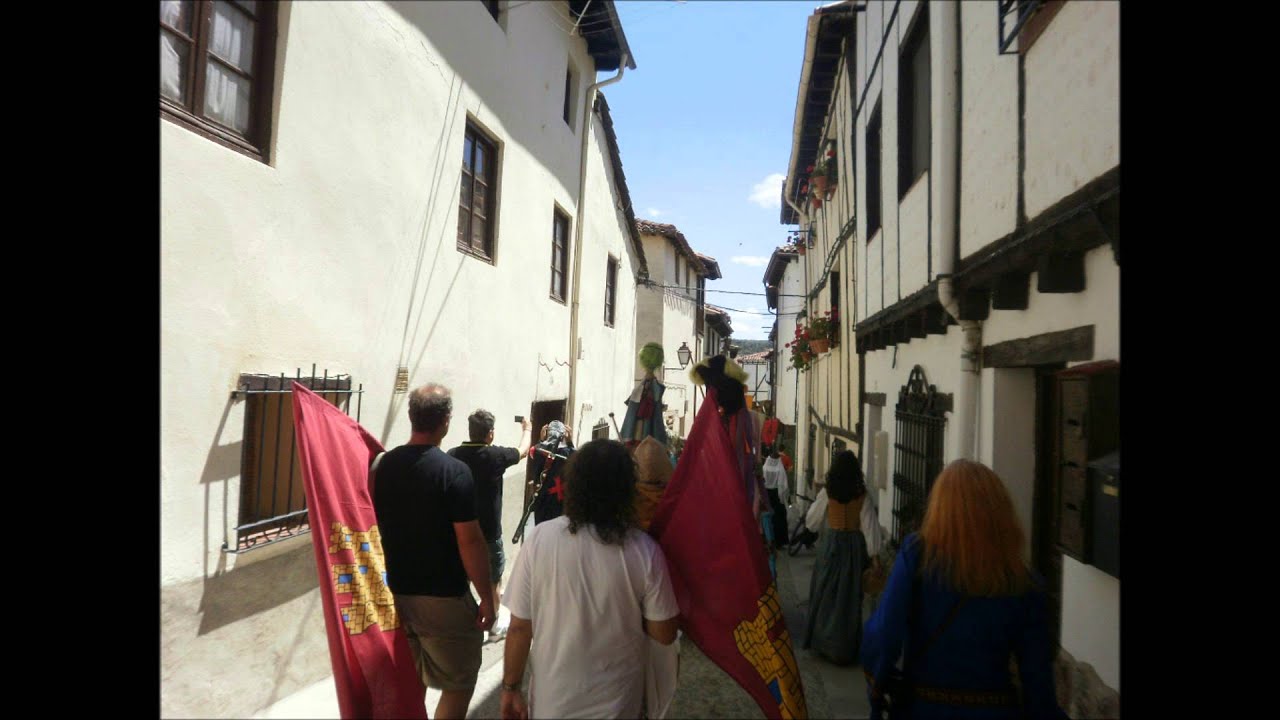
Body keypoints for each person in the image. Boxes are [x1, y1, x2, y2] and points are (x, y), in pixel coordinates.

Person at [861, 460, 1068, 720]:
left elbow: (883, 635)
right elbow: (1038, 683)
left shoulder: (918, 556)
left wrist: (878, 690)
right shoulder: (1022, 581)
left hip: (923, 708)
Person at [500, 439, 680, 719]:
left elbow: (520, 628)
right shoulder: (645, 551)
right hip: (618, 706)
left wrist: (511, 687)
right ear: (627, 490)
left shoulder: (539, 539)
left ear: (573, 485)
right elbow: (665, 634)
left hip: (553, 704)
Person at [371, 384, 495, 720]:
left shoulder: (382, 466)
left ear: (412, 418)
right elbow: (470, 541)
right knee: (460, 681)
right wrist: (487, 596)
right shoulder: (454, 472)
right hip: (443, 598)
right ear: (445, 421)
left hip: (396, 593)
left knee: (413, 681)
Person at [449, 411, 532, 641]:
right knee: (493, 579)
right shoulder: (495, 456)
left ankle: (466, 622)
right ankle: (493, 625)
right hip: (489, 531)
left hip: (461, 530)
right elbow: (523, 451)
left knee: (463, 577)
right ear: (491, 433)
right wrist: (527, 429)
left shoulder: (453, 455)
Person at [803, 450, 870, 666]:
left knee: (825, 592)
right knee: (848, 596)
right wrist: (875, 554)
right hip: (853, 547)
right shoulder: (861, 494)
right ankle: (844, 647)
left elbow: (812, 520)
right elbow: (869, 526)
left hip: (831, 544)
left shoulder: (828, 492)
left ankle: (823, 642)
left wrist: (813, 527)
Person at [528, 421, 574, 526]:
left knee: (542, 528)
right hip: (560, 502)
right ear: (563, 436)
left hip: (543, 500)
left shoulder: (538, 450)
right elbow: (576, 457)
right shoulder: (568, 453)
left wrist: (541, 439)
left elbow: (534, 451)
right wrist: (570, 442)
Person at [762, 447, 790, 547]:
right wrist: (783, 499)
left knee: (766, 518)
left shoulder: (765, 467)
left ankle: (766, 540)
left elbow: (762, 481)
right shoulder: (780, 468)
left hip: (766, 494)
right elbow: (783, 486)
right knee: (779, 518)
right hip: (776, 495)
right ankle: (779, 542)